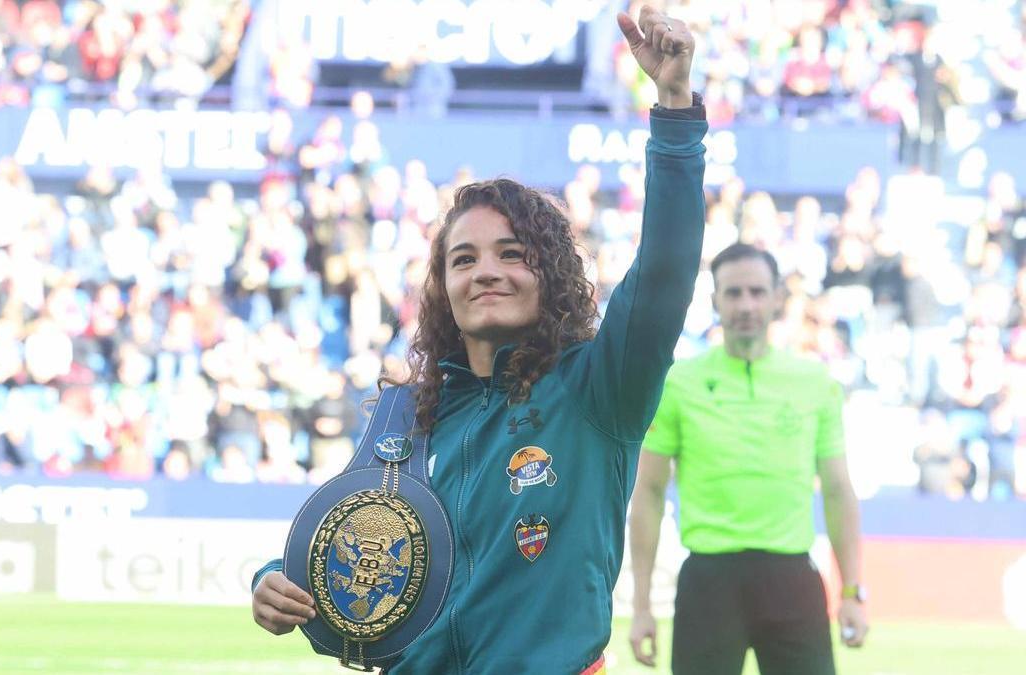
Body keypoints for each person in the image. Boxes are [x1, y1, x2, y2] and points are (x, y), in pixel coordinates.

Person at [252, 8, 707, 673]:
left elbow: (666, 270)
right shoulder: (408, 415)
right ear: (441, 284)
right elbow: (361, 547)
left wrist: (673, 104)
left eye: (511, 253)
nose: (485, 271)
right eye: (463, 260)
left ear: (549, 273)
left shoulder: (599, 388)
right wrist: (280, 580)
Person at [627, 243, 870, 675]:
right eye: (734, 293)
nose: (746, 305)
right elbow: (647, 491)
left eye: (757, 292)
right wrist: (642, 604)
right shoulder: (679, 382)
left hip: (793, 580)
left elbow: (837, 491)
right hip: (708, 583)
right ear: (715, 300)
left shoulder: (814, 382)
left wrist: (852, 591)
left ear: (778, 297)